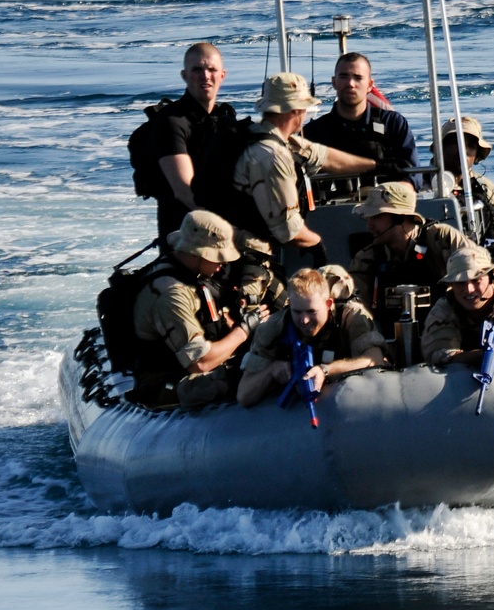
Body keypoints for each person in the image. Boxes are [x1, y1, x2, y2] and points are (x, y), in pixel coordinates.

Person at [131, 210, 275, 409]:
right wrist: (244, 330)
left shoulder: (192, 275)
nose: (223, 263)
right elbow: (200, 363)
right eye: (218, 257)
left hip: (194, 365)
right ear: (198, 253)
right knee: (252, 374)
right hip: (173, 382)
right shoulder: (171, 295)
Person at [232, 72, 375, 251]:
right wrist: (319, 244)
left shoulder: (262, 135)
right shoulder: (272, 156)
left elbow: (324, 156)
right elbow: (289, 231)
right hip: (248, 255)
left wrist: (376, 166)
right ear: (296, 110)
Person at [137, 42, 244, 242]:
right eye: (197, 69)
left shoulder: (225, 120)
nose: (205, 76)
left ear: (222, 75)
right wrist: (228, 229)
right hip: (185, 238)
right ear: (184, 75)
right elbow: (184, 191)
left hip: (223, 232)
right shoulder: (171, 122)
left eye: (212, 69)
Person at [237, 267, 387, 408]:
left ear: (328, 304)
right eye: (297, 312)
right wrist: (271, 370)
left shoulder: (349, 316)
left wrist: (326, 370)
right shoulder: (273, 328)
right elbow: (244, 395)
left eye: (311, 311)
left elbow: (374, 360)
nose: (304, 320)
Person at [348, 182, 473, 340]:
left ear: (399, 218)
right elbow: (355, 304)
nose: (369, 225)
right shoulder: (366, 258)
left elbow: (477, 275)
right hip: (389, 341)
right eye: (368, 218)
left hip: (447, 334)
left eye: (376, 217)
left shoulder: (442, 239)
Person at [305, 52, 419, 188]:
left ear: (370, 85)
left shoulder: (393, 124)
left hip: (387, 205)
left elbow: (413, 177)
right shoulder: (313, 133)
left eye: (358, 78)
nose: (350, 84)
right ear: (334, 82)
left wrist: (392, 195)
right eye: (343, 76)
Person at [432, 114, 494, 263]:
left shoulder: (484, 187)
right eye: (455, 143)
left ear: (477, 154)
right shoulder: (418, 185)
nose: (463, 151)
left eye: (470, 146)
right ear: (441, 147)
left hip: (481, 260)